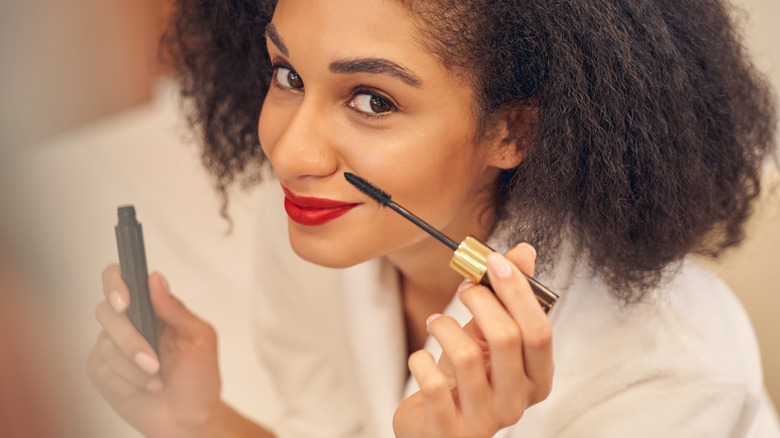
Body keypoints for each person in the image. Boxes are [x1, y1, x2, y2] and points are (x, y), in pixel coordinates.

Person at [87, 0, 779, 437]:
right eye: (288, 76)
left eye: (372, 100)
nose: (292, 154)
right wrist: (199, 419)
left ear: (512, 130)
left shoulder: (668, 378)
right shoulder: (323, 219)